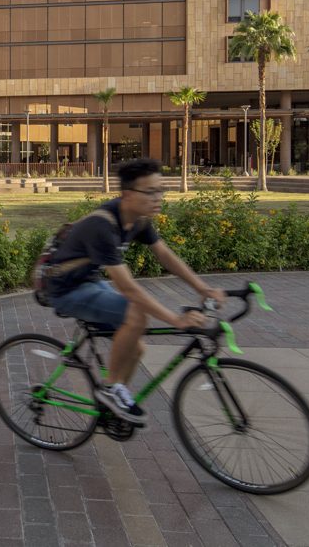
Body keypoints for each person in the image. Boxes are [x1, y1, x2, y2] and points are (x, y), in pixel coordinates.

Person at [40, 159, 215, 426]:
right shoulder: (103, 225)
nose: (158, 198)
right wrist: (175, 319)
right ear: (129, 194)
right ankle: (110, 387)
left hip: (88, 281)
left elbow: (165, 255)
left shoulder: (139, 221)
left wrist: (203, 288)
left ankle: (115, 396)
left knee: (137, 346)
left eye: (161, 190)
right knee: (137, 314)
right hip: (65, 289)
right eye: (151, 192)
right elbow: (128, 288)